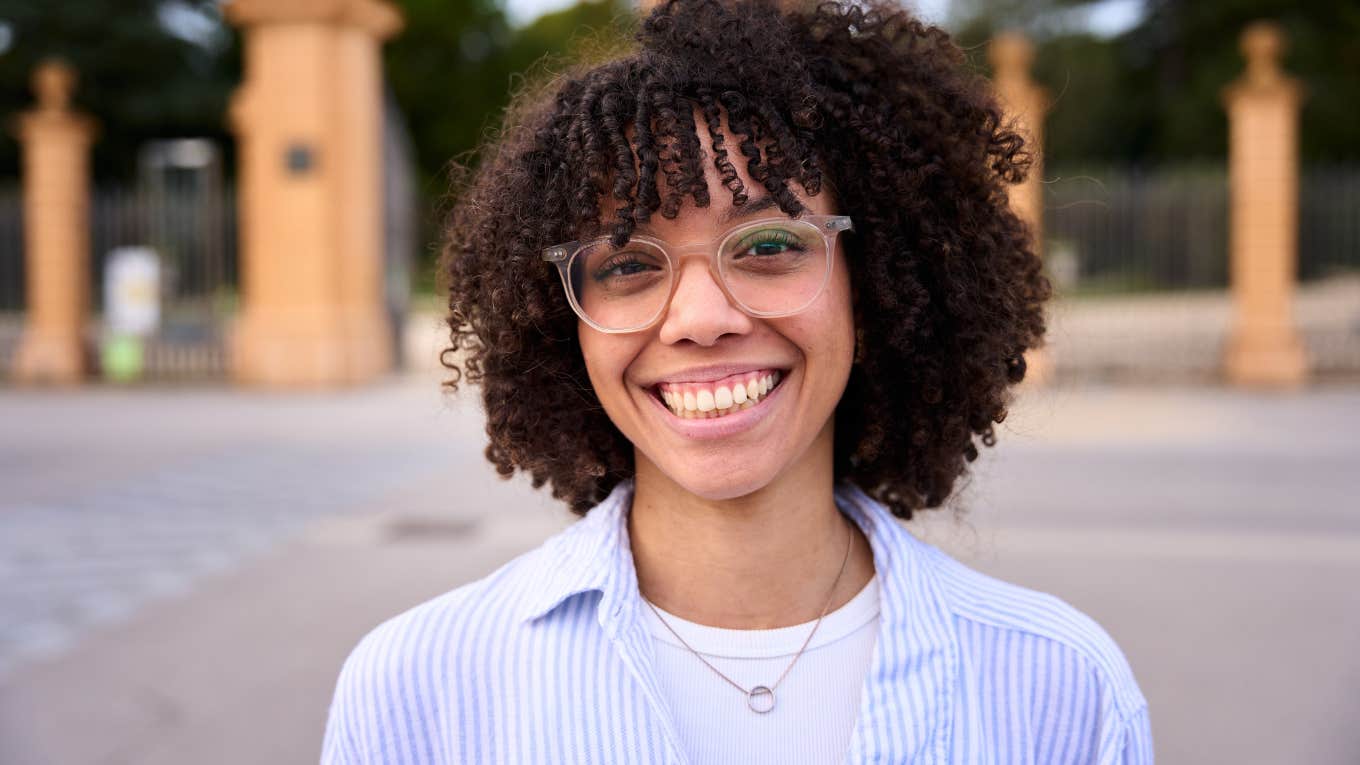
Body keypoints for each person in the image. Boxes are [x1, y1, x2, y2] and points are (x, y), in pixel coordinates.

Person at [322, 0, 1152, 762]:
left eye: (766, 246)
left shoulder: (1063, 694)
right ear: (560, 322)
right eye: (627, 264)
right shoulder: (416, 692)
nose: (698, 317)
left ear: (878, 285)